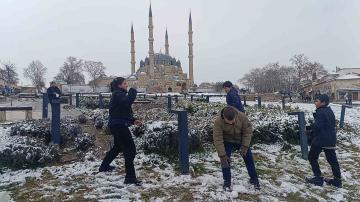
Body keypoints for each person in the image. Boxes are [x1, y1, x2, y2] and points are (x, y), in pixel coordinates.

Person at [99, 77, 143, 186]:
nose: (127, 85)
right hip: (119, 126)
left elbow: (121, 111)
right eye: (125, 83)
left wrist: (133, 121)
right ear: (119, 85)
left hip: (117, 125)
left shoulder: (118, 94)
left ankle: (104, 166)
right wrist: (133, 91)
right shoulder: (118, 94)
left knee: (118, 147)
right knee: (130, 149)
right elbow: (127, 103)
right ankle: (130, 178)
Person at [213, 106, 260, 190]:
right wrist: (222, 156)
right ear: (224, 117)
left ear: (235, 116)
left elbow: (248, 131)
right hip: (227, 140)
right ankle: (227, 182)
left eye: (233, 121)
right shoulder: (218, 121)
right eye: (228, 122)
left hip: (240, 140)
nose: (231, 123)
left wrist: (245, 146)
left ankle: (254, 180)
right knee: (225, 161)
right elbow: (217, 139)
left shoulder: (242, 116)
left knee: (249, 158)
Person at [306, 94, 342, 188]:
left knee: (312, 157)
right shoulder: (329, 110)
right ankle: (337, 180)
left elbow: (318, 126)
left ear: (323, 103)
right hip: (330, 138)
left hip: (321, 139)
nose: (315, 103)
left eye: (317, 101)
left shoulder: (320, 112)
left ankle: (318, 178)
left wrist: (309, 128)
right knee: (332, 159)